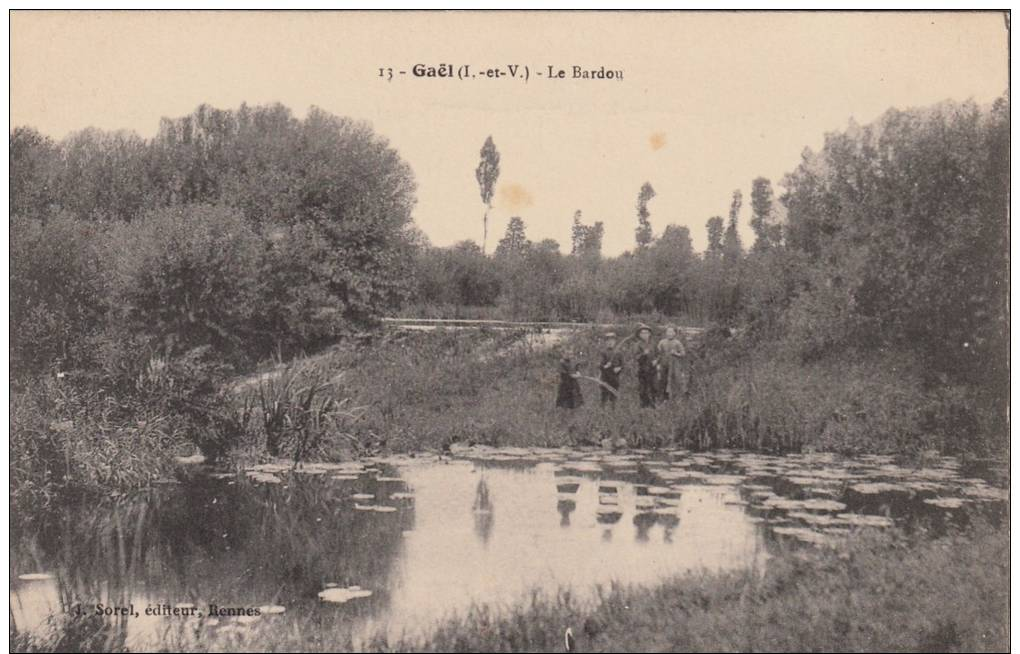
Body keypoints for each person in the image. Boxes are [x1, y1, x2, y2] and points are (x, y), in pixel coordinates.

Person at [656, 326, 687, 400]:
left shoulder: (677, 342)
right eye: (668, 332)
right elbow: (658, 353)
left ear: (674, 333)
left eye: (671, 332)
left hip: (674, 365)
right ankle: (664, 397)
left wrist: (676, 353)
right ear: (666, 333)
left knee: (676, 380)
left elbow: (683, 354)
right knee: (663, 379)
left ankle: (677, 396)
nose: (669, 334)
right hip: (664, 364)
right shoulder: (662, 342)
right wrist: (657, 363)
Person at [634, 324, 657, 408]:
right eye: (642, 333)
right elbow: (636, 357)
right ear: (640, 335)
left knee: (654, 387)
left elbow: (658, 355)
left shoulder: (653, 344)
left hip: (653, 369)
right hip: (642, 370)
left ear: (649, 334)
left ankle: (653, 404)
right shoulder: (638, 345)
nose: (645, 335)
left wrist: (656, 361)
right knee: (643, 389)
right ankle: (643, 405)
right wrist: (643, 354)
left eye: (646, 332)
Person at [598, 332, 624, 406]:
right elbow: (599, 365)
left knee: (614, 394)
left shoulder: (619, 353)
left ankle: (613, 409)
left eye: (612, 341)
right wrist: (605, 366)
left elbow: (623, 364)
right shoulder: (603, 352)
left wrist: (619, 368)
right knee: (604, 394)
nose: (610, 343)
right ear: (605, 342)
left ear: (615, 342)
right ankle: (602, 409)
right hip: (605, 377)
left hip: (615, 377)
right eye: (608, 341)